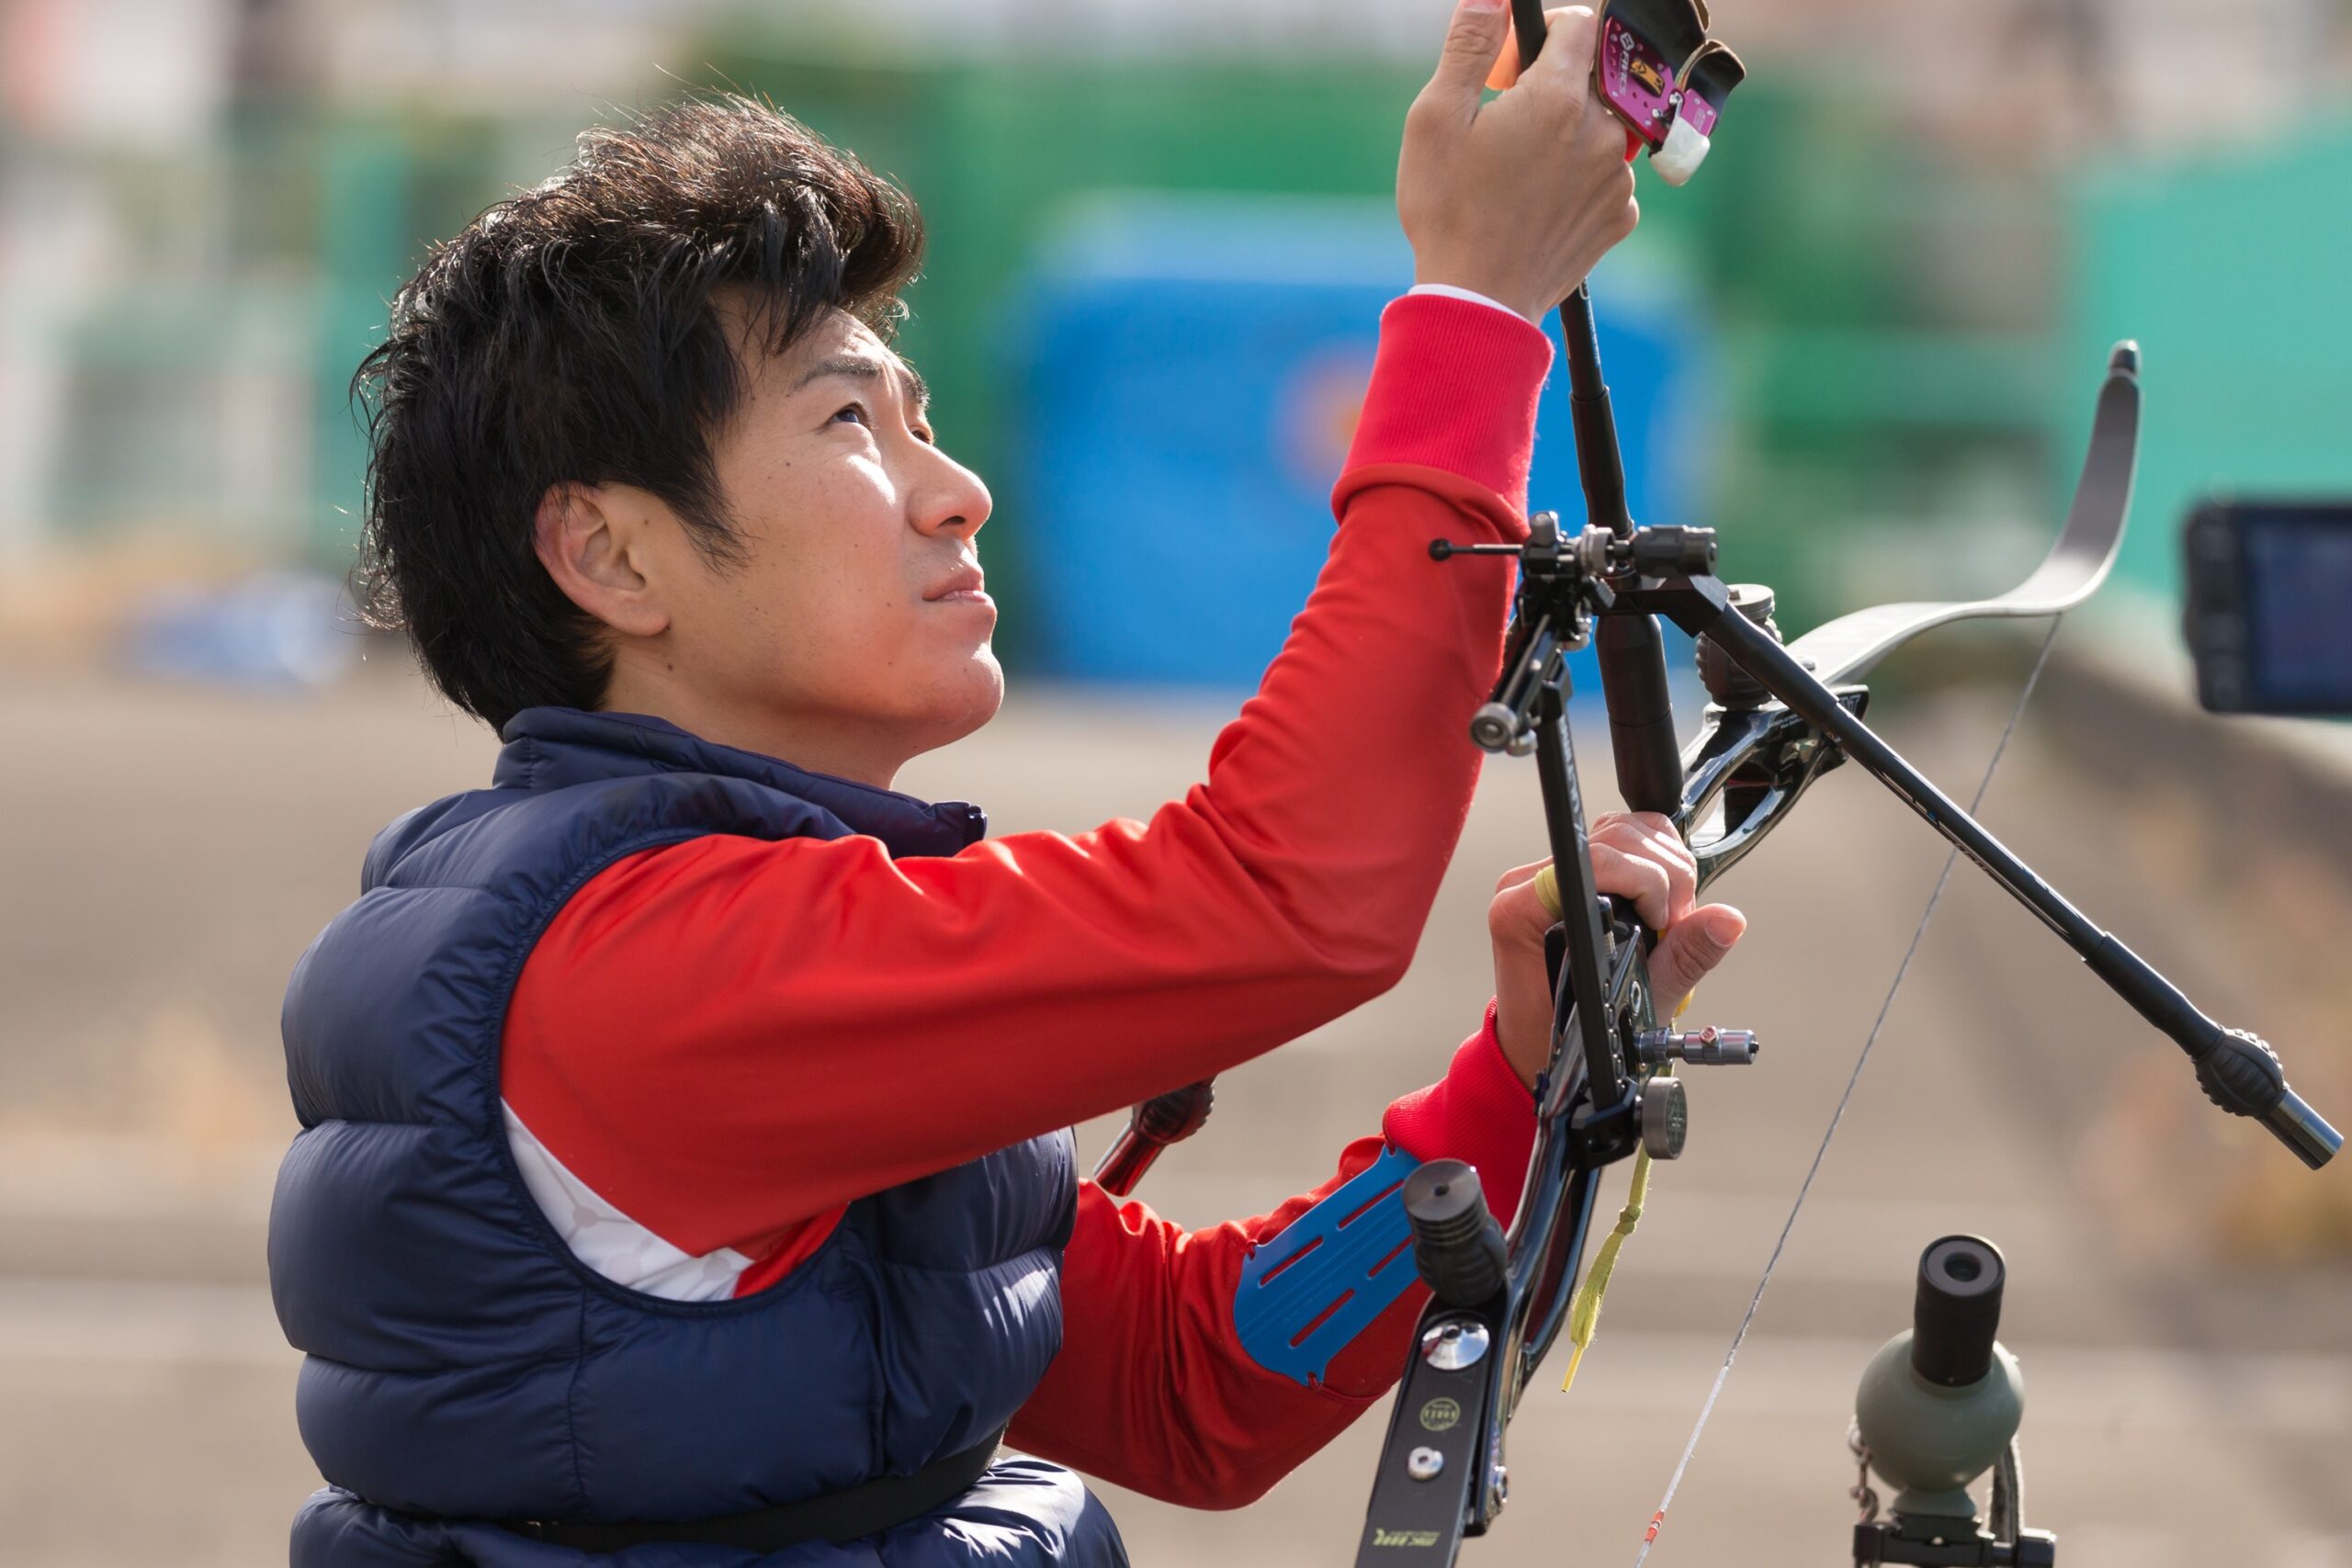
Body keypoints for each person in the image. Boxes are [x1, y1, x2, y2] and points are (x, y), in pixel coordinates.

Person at [269, 3, 1746, 1563]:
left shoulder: (756, 947)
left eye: (924, 419)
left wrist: (1519, 1071)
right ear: (612, 555)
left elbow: (1203, 1375)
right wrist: (1477, 310)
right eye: (848, 420)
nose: (954, 489)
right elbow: (1288, 892)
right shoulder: (645, 970)